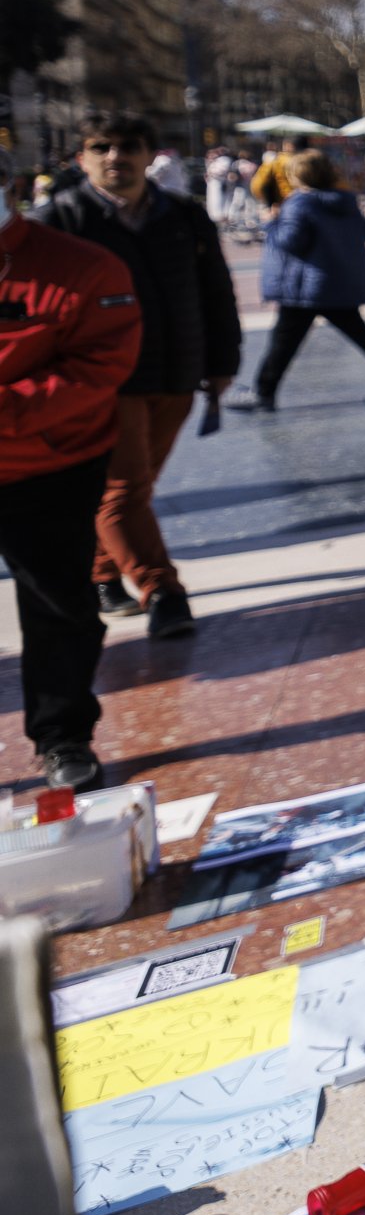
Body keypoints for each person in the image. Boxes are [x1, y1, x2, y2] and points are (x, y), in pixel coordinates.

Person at [42, 113, 236, 638]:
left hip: (176, 372)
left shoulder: (183, 215)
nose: (115, 156)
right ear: (81, 157)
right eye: (100, 146)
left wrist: (223, 362)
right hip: (102, 380)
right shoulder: (58, 219)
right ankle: (163, 592)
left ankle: (102, 573)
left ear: (149, 154)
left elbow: (215, 292)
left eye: (128, 146)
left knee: (137, 486)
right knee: (124, 490)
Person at [0, 172, 141, 791]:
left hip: (48, 463)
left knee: (59, 604)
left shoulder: (83, 266)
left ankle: (63, 736)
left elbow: (101, 361)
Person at [235, 150, 365, 409]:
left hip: (306, 286)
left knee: (284, 340)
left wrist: (271, 223)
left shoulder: (299, 203)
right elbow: (364, 230)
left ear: (296, 176)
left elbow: (291, 241)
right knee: (352, 331)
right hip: (334, 281)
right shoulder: (345, 201)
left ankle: (263, 393)